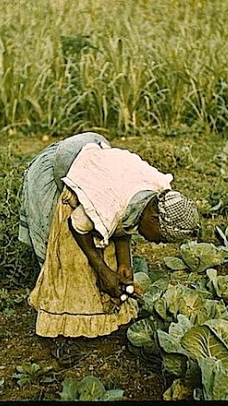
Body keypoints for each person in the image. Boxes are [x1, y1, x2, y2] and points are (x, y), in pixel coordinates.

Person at [19, 132, 200, 338]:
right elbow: (77, 225)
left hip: (96, 158)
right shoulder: (109, 201)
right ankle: (60, 330)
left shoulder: (156, 193)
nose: (156, 243)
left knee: (107, 253)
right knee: (68, 258)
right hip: (60, 166)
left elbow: (126, 219)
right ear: (154, 217)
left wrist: (124, 263)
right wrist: (102, 270)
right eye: (160, 237)